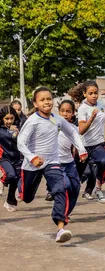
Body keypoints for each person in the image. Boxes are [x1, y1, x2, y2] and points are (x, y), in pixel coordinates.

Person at [17, 87, 87, 243]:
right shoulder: (32, 121)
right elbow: (21, 142)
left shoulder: (57, 119)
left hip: (53, 162)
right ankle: (20, 189)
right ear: (35, 103)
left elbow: (72, 132)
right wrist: (32, 157)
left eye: (49, 98)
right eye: (42, 100)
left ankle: (60, 228)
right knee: (27, 198)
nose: (46, 102)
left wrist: (81, 149)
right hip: (32, 164)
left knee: (60, 188)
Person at [74, 81, 105, 203]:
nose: (94, 96)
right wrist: (91, 118)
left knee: (103, 162)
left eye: (96, 93)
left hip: (98, 143)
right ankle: (72, 192)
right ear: (85, 94)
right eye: (90, 93)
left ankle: (97, 188)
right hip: (84, 146)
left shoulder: (100, 104)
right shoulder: (83, 108)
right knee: (78, 175)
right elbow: (81, 130)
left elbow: (104, 115)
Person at [57, 100, 87, 224]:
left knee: (75, 187)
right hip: (56, 163)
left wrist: (81, 152)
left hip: (69, 163)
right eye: (62, 111)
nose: (65, 114)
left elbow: (77, 142)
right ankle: (61, 213)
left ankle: (66, 213)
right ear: (58, 112)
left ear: (73, 113)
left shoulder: (73, 128)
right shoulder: (52, 125)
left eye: (68, 111)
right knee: (67, 185)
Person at [0, 105, 21, 212]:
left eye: (11, 118)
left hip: (18, 159)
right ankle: (2, 180)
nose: (9, 121)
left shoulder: (19, 127)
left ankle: (9, 202)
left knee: (15, 179)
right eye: (6, 119)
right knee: (11, 175)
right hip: (4, 158)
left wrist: (17, 133)